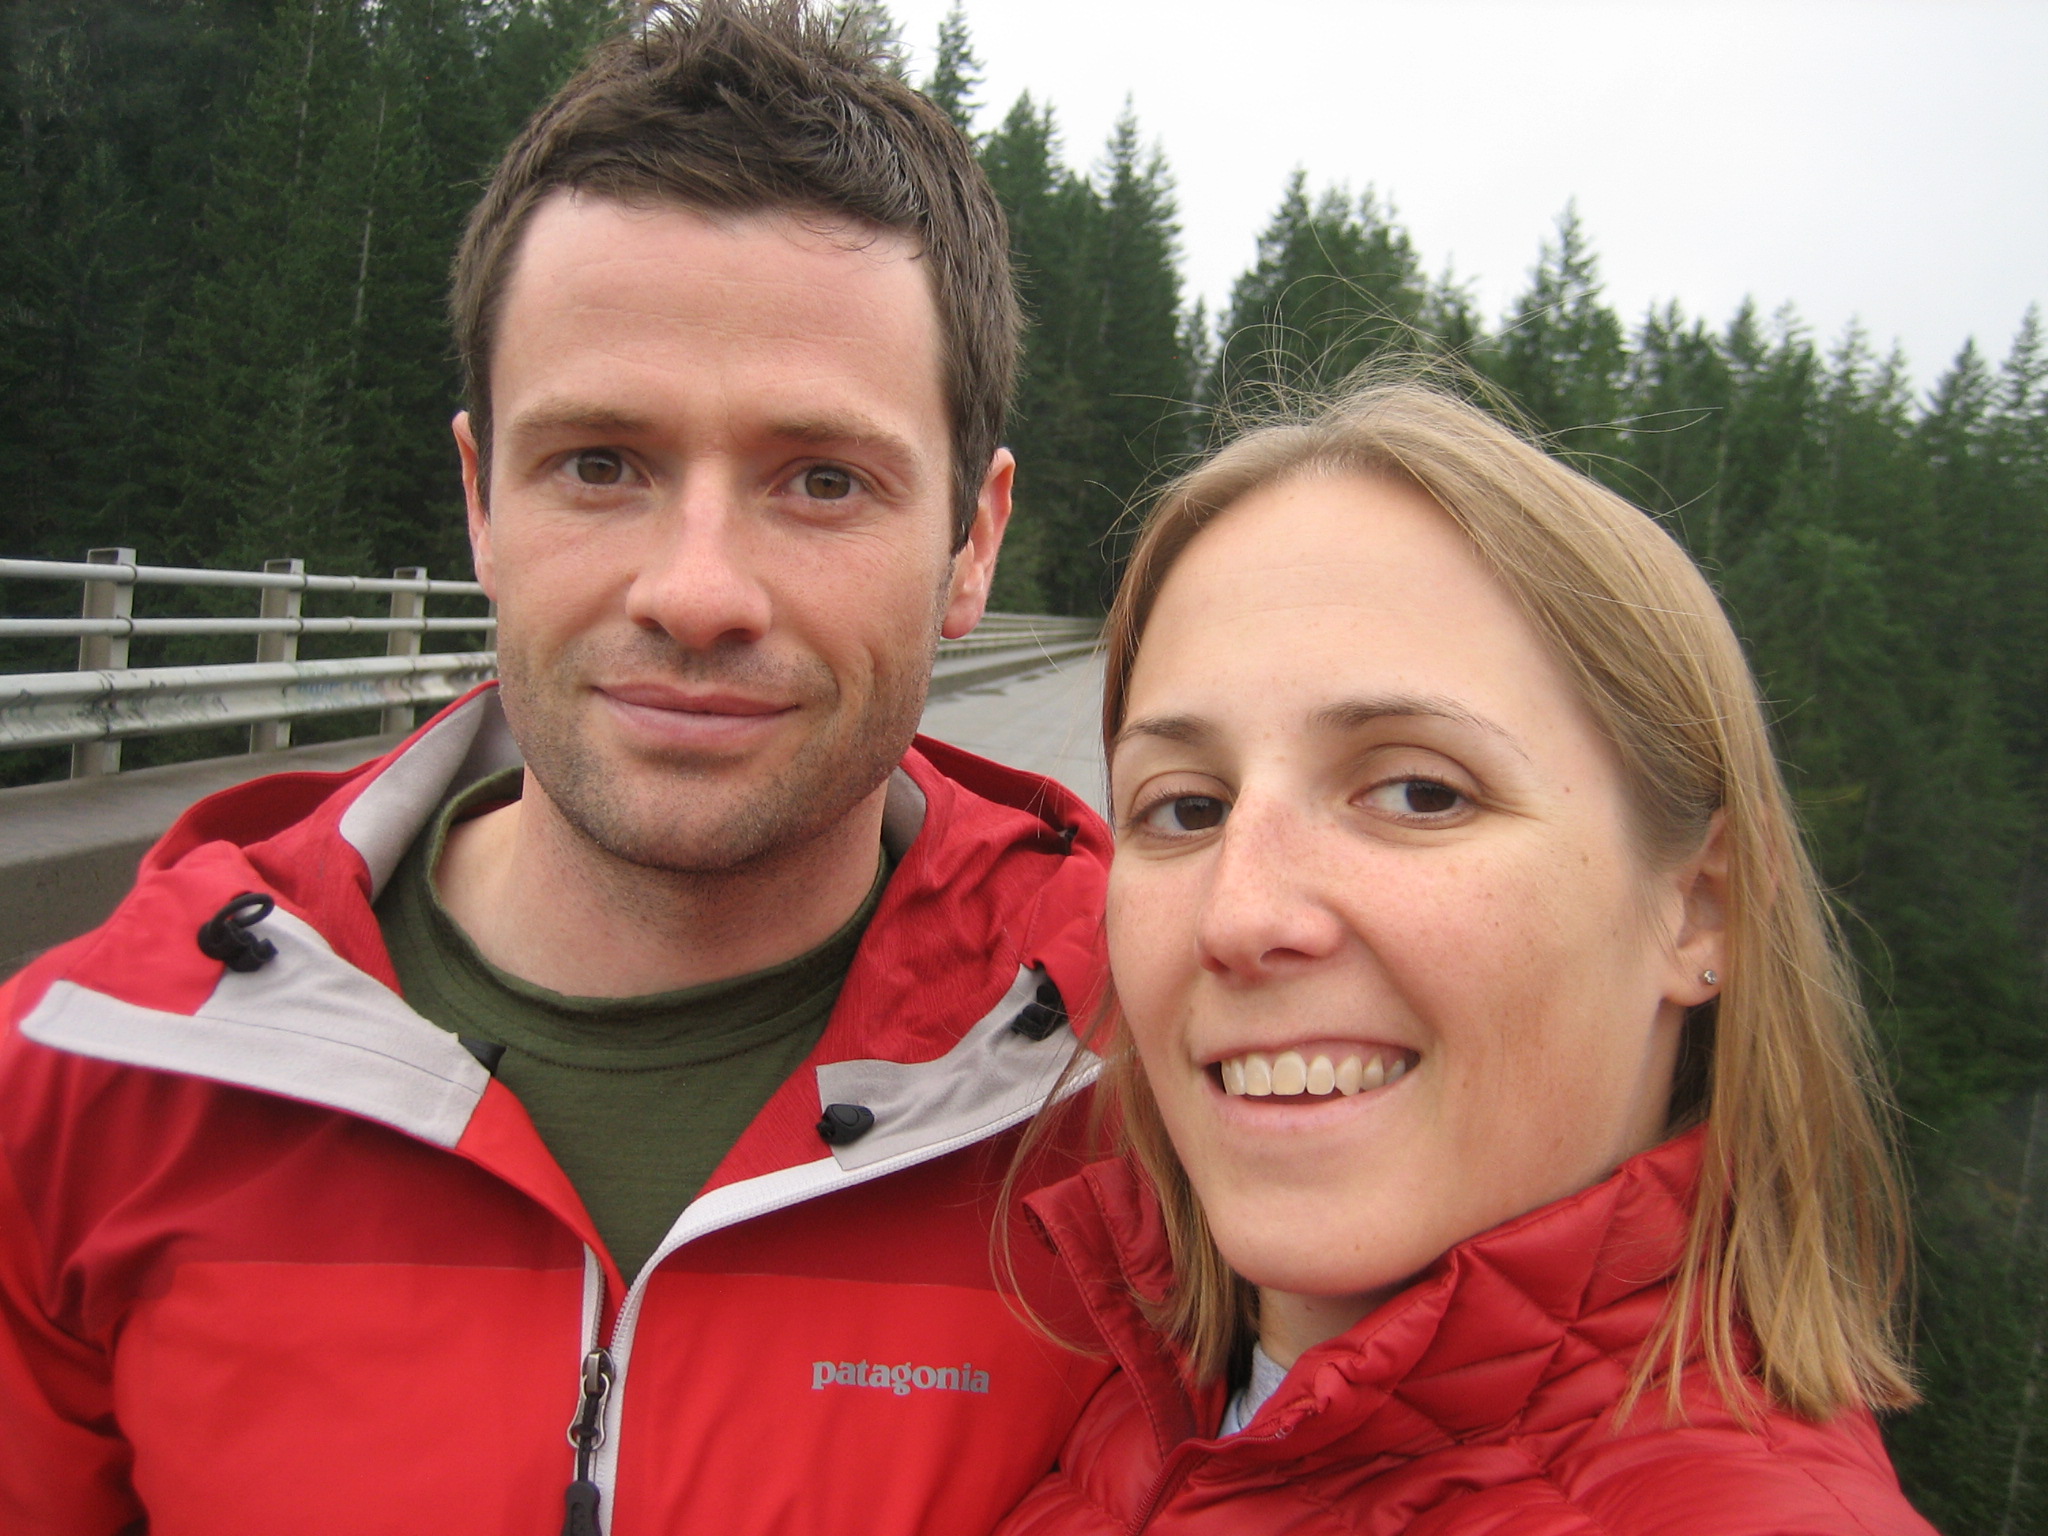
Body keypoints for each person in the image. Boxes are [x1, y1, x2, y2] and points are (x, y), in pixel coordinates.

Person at [0, 6, 1113, 1533]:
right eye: (599, 464)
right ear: (480, 500)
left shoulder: (1152, 1093)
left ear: (971, 541)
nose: (696, 592)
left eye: (822, 480)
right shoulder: (87, 1088)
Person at [997, 382, 1939, 1534]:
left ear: (1699, 908)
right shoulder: (1099, 1390)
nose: (1234, 917)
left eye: (1417, 792)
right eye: (1185, 808)